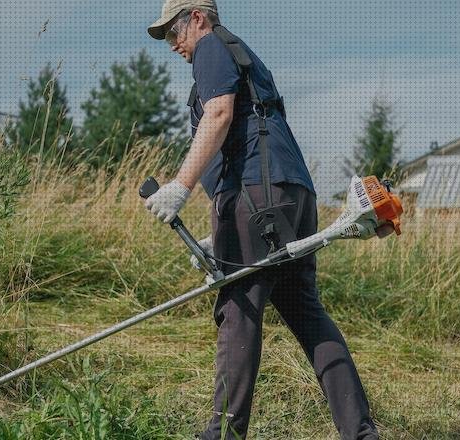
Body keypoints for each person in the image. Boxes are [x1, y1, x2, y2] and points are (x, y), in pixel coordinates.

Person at [144, 1, 379, 438]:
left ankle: (222, 436)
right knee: (306, 314)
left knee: (238, 312)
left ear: (196, 17)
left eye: (173, 33)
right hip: (292, 196)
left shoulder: (213, 46)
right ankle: (361, 434)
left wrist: (179, 186)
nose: (172, 45)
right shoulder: (242, 56)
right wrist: (223, 238)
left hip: (257, 199)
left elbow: (218, 116)